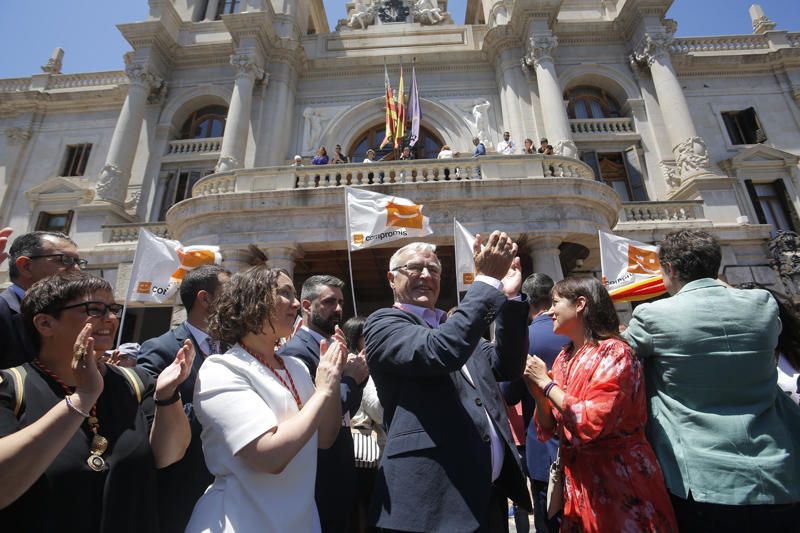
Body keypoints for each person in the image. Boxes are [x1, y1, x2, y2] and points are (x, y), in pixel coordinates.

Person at [622, 230, 800, 531]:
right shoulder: (763, 304)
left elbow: (619, 361)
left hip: (702, 478)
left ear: (671, 269)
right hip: (778, 471)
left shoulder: (652, 315)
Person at [0, 271, 193, 532]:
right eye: (94, 309)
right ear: (45, 324)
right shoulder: (11, 387)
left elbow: (168, 456)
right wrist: (83, 397)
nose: (111, 318)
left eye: (113, 309)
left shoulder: (136, 383)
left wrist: (168, 395)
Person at [364, 232, 532, 532]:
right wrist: (486, 282)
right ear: (392, 278)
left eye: (434, 270)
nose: (426, 275)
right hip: (432, 506)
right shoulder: (384, 323)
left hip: (486, 499)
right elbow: (441, 351)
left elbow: (506, 365)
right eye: (414, 268)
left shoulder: (449, 326)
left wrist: (508, 298)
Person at [187, 252, 348, 533]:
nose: (297, 303)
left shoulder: (296, 366)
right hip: (239, 521)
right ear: (252, 301)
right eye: (285, 293)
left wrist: (331, 378)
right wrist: (322, 390)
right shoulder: (222, 368)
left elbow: (325, 438)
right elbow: (269, 457)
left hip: (301, 522)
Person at [524, 276, 678, 533]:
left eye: (555, 302)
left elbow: (591, 420)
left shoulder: (616, 353)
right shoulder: (564, 357)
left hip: (620, 483)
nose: (549, 311)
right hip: (579, 487)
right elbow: (547, 428)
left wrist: (548, 386)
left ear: (580, 304)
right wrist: (541, 397)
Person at [137, 264, 231, 532]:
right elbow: (153, 423)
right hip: (184, 491)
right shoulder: (160, 349)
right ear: (205, 298)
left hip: (232, 486)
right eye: (230, 294)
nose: (237, 302)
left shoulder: (234, 349)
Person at [278, 275, 368, 533]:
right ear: (306, 306)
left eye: (340, 302)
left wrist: (355, 379)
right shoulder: (296, 353)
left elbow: (347, 410)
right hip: (319, 473)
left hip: (340, 466)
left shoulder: (332, 347)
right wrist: (351, 379)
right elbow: (315, 413)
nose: (338, 309)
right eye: (329, 302)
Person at [501, 273, 566, 533]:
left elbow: (509, 395)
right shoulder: (577, 332)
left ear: (528, 303)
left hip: (542, 447)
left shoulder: (524, 339)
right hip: (584, 443)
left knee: (547, 519)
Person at [1, 230, 87, 369]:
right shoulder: (3, 312)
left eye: (78, 262)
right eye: (65, 260)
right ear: (26, 266)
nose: (76, 269)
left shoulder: (72, 317)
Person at [343, 316, 385, 533]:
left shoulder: (342, 361)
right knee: (368, 508)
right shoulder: (360, 364)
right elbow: (376, 409)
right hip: (365, 445)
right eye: (366, 336)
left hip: (348, 448)